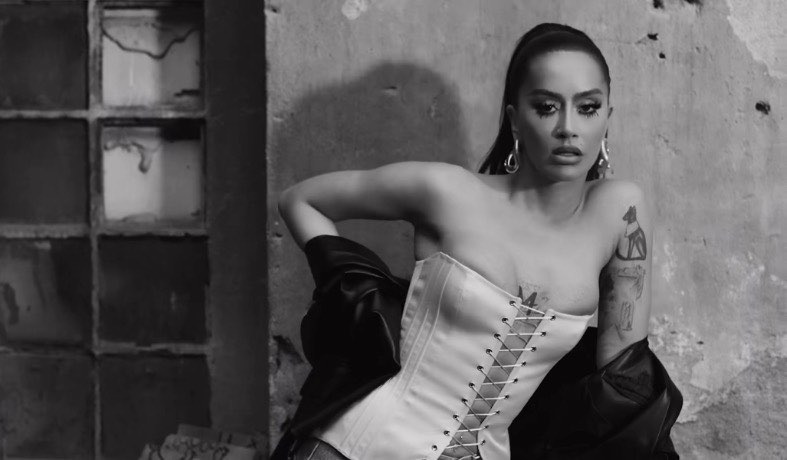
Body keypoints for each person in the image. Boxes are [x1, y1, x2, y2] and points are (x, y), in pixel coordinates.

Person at [277, 23, 664, 460]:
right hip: (354, 448)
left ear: (608, 117)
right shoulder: (448, 192)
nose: (568, 128)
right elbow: (300, 201)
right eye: (546, 107)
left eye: (588, 107)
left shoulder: (621, 213)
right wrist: (359, 299)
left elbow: (623, 383)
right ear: (515, 119)